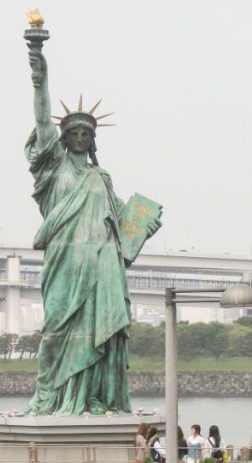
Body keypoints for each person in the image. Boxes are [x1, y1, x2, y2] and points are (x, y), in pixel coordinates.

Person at [25, 37, 161, 415]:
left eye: (87, 133)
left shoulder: (101, 178)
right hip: (65, 267)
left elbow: (123, 225)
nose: (81, 138)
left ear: (93, 139)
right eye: (74, 133)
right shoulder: (54, 170)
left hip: (101, 269)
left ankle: (93, 396)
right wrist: (39, 70)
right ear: (63, 139)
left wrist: (142, 226)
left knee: (102, 332)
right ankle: (53, 397)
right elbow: (41, 117)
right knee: (55, 332)